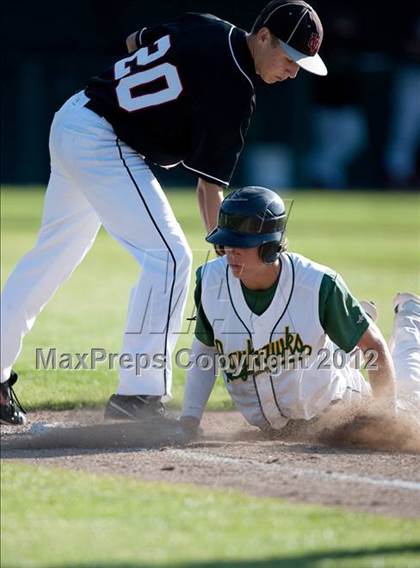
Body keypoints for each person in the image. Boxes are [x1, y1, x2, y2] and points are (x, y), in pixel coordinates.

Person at [1, 0, 328, 426]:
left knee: (50, 258)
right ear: (263, 36)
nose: (293, 71)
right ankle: (138, 398)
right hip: (103, 139)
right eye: (290, 57)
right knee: (171, 257)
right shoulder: (235, 87)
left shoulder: (207, 25)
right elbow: (208, 189)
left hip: (73, 116)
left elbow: (135, 41)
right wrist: (228, 257)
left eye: (302, 63)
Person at [181, 187, 419, 435]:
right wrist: (189, 419)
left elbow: (375, 349)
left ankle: (410, 321)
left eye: (241, 244)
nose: (231, 252)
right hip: (287, 406)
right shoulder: (211, 280)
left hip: (335, 405)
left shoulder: (316, 284)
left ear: (269, 247)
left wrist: (386, 421)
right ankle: (352, 321)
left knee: (411, 400)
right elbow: (204, 352)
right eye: (226, 243)